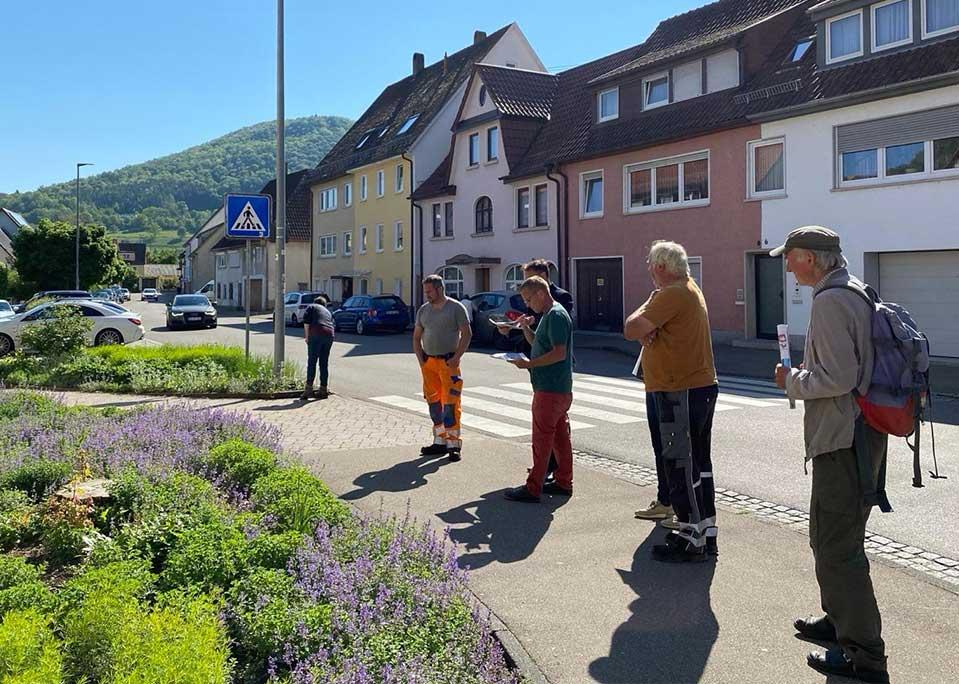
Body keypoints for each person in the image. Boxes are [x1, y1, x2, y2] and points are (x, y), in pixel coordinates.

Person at [772, 226, 889, 684]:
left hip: (844, 438)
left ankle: (863, 654)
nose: (785, 265)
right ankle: (840, 622)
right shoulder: (852, 289)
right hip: (859, 434)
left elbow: (838, 377)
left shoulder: (830, 299)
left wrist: (792, 381)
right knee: (833, 537)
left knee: (837, 547)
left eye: (790, 257)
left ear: (811, 258)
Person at [624, 240, 718, 563]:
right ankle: (705, 530)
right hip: (696, 387)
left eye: (650, 264)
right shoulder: (687, 290)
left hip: (681, 390)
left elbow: (631, 327)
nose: (648, 269)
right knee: (699, 464)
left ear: (661, 266)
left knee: (682, 463)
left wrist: (648, 311)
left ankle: (691, 537)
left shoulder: (672, 293)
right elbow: (643, 329)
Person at [504, 276, 574, 502]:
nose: (527, 304)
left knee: (542, 440)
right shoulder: (550, 314)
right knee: (560, 439)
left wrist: (528, 364)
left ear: (541, 294)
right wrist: (525, 328)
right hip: (557, 387)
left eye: (528, 299)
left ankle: (533, 487)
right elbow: (539, 344)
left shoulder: (555, 315)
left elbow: (559, 352)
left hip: (550, 389)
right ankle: (564, 481)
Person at [413, 275, 472, 461]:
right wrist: (421, 359)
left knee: (451, 404)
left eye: (429, 291)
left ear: (440, 289)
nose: (427, 294)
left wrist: (457, 357)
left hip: (449, 364)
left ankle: (453, 444)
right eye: (425, 291)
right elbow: (416, 337)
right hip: (429, 363)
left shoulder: (455, 308)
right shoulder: (423, 311)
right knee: (433, 404)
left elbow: (467, 333)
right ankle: (440, 440)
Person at [300, 295, 335, 400]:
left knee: (312, 361)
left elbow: (306, 322)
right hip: (329, 334)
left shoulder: (312, 306)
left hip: (316, 332)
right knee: (324, 363)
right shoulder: (327, 311)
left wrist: (307, 337)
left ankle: (308, 390)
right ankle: (323, 389)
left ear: (315, 302)